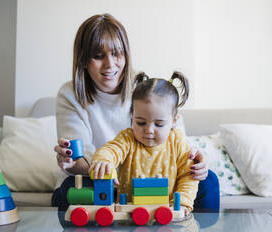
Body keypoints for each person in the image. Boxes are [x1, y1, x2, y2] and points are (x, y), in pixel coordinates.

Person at [52, 13, 212, 211]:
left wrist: (197, 162)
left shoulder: (147, 89)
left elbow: (178, 146)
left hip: (151, 174)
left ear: (126, 55)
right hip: (101, 178)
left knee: (207, 180)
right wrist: (81, 163)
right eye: (98, 56)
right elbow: (82, 159)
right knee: (70, 190)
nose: (110, 64)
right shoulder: (71, 95)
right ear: (84, 60)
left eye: (117, 53)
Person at [91, 72, 198, 216]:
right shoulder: (127, 138)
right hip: (128, 215)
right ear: (132, 117)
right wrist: (104, 160)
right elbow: (111, 149)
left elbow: (188, 175)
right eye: (140, 123)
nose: (149, 130)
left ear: (174, 121)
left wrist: (183, 203)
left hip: (167, 214)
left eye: (159, 124)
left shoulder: (177, 141)